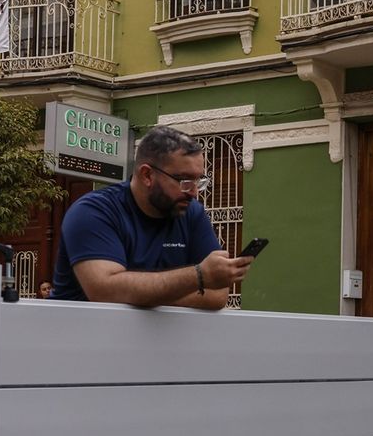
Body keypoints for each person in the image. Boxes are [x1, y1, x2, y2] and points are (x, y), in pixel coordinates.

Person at [51, 126, 251, 307]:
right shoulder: (94, 211)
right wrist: (198, 276)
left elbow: (216, 296)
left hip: (151, 343)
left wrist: (140, 293)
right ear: (147, 175)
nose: (194, 192)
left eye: (199, 181)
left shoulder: (191, 212)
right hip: (77, 339)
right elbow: (105, 290)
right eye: (184, 180)